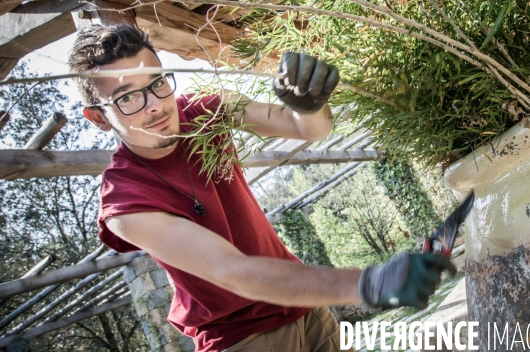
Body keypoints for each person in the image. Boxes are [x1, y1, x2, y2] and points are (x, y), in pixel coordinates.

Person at [69, 24, 455, 352]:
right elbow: (234, 271)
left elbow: (308, 130)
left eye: (157, 84)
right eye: (127, 97)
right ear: (98, 119)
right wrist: (369, 283)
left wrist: (310, 103)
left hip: (303, 305)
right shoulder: (125, 202)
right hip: (242, 338)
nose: (154, 105)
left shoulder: (206, 114)